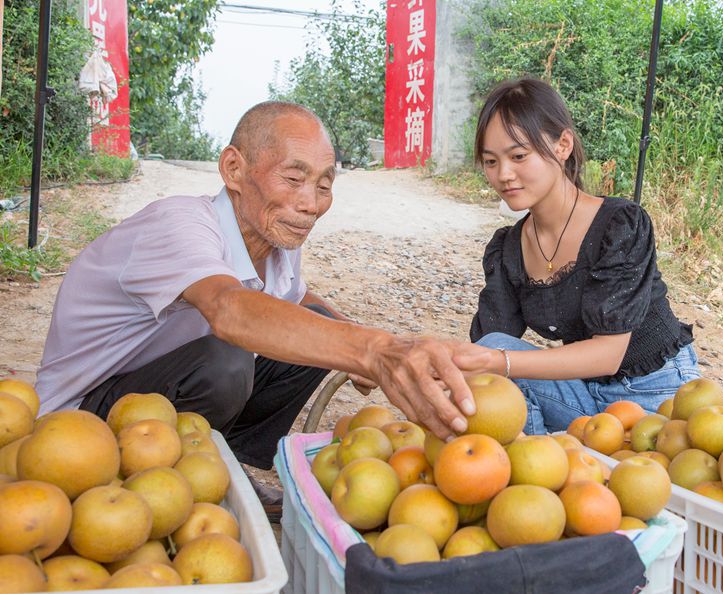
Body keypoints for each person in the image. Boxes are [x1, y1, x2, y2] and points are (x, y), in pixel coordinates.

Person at [35, 101, 485, 499]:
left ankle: (219, 461)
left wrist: (365, 340)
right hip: (77, 421)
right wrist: (374, 352)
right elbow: (229, 309)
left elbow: (297, 299)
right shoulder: (179, 225)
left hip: (156, 397)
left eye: (324, 185)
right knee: (225, 359)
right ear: (233, 169)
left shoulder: (275, 240)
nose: (310, 203)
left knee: (310, 330)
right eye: (293, 178)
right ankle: (151, 482)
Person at [453, 78, 700, 435]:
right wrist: (414, 358)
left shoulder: (620, 225)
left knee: (498, 360)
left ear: (563, 144)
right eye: (491, 162)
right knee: (491, 357)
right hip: (584, 397)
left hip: (654, 397)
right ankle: (536, 472)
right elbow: (489, 346)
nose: (504, 175)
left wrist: (498, 361)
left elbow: (609, 353)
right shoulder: (508, 248)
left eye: (519, 156)